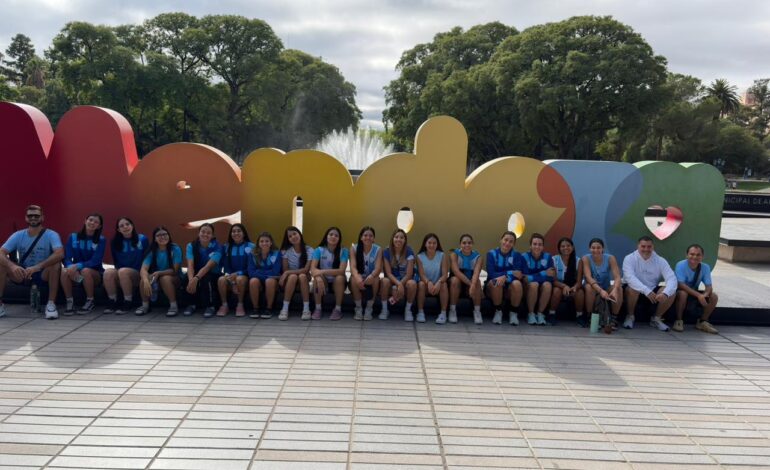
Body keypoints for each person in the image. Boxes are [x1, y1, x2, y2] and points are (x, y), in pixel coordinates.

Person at [0, 205, 63, 319]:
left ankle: (51, 304)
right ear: (26, 218)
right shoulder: (18, 235)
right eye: (30, 215)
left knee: (56, 264)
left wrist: (37, 267)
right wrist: (13, 266)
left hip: (43, 271)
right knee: (2, 264)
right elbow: (1, 252)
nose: (33, 218)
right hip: (23, 272)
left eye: (36, 216)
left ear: (42, 217)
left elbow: (60, 253)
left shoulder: (51, 234)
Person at [622, 236, 677, 331]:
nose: (646, 249)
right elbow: (629, 278)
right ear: (638, 246)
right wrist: (646, 291)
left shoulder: (660, 260)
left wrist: (665, 293)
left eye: (649, 247)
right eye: (643, 246)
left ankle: (656, 319)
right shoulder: (629, 258)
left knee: (671, 292)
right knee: (632, 288)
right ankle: (630, 316)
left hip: (653, 293)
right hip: (635, 292)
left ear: (653, 247)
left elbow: (672, 278)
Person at [60, 213, 106, 315]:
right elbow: (66, 257)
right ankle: (70, 302)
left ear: (99, 226)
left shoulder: (101, 240)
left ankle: (90, 301)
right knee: (64, 271)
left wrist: (78, 266)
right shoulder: (73, 237)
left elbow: (96, 261)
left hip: (94, 275)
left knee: (85, 271)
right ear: (85, 221)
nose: (92, 223)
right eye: (90, 220)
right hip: (78, 277)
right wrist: (70, 267)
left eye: (96, 222)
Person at [104, 217, 148, 314]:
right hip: (121, 273)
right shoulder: (115, 242)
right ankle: (113, 301)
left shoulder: (142, 239)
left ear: (132, 225)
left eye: (127, 224)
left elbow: (147, 258)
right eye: (121, 226)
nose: (125, 227)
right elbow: (115, 261)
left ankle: (128, 301)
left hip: (138, 274)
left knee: (123, 271)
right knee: (108, 272)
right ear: (118, 230)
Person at [674, 244, 719, 334]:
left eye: (698, 255)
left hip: (694, 292)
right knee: (683, 294)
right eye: (692, 254)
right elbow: (680, 285)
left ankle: (702, 321)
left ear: (702, 256)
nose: (695, 257)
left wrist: (705, 295)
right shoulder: (680, 265)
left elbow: (709, 286)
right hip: (680, 292)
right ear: (687, 255)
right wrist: (699, 295)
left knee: (713, 296)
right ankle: (678, 321)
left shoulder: (705, 267)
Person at [137, 226, 183, 316]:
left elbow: (175, 270)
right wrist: (146, 280)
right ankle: (145, 306)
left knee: (165, 279)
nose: (162, 237)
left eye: (165, 234)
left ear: (169, 236)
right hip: (156, 277)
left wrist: (159, 273)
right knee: (144, 279)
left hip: (174, 278)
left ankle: (173, 306)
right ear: (155, 239)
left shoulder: (175, 248)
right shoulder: (152, 251)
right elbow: (143, 269)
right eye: (159, 235)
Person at [582, 238, 623, 328]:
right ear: (589, 249)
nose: (596, 250)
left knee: (618, 288)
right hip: (593, 287)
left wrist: (615, 289)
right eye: (593, 248)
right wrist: (600, 291)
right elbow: (588, 277)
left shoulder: (610, 258)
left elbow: (617, 277)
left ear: (602, 248)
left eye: (598, 248)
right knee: (589, 288)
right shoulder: (586, 258)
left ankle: (614, 318)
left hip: (605, 287)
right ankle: (590, 317)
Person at [485, 231, 524, 325]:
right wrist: (508, 273)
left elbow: (518, 275)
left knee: (517, 284)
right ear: (501, 240)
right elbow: (491, 274)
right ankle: (498, 311)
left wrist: (505, 277)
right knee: (496, 282)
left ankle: (513, 313)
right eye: (506, 240)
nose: (507, 243)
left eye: (511, 241)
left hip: (509, 288)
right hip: (492, 288)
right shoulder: (491, 254)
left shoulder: (517, 255)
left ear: (514, 244)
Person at [183, 223, 222, 318]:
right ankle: (191, 304)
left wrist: (196, 278)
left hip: (213, 273)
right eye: (203, 232)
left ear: (212, 235)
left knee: (206, 278)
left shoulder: (218, 247)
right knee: (186, 278)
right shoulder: (191, 246)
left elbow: (208, 267)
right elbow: (190, 265)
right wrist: (191, 279)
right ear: (198, 233)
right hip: (196, 272)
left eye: (208, 233)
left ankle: (211, 306)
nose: (205, 234)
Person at [310, 227, 349, 320]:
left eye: (336, 235)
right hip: (324, 281)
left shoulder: (343, 251)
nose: (333, 237)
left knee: (340, 277)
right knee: (316, 279)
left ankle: (338, 309)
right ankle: (318, 308)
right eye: (331, 234)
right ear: (326, 236)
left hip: (337, 282)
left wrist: (322, 271)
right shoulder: (319, 250)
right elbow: (313, 269)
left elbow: (341, 270)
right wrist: (318, 277)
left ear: (339, 239)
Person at [216, 224, 253, 317]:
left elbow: (251, 267)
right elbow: (226, 267)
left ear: (244, 233)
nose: (236, 233)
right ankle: (224, 305)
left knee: (240, 279)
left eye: (239, 231)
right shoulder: (226, 247)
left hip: (245, 275)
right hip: (230, 275)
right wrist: (232, 281)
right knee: (221, 280)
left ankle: (240, 305)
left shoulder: (251, 246)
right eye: (233, 231)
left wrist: (238, 274)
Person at [379, 229, 417, 321]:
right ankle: (384, 310)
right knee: (384, 281)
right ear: (392, 239)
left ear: (405, 240)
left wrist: (400, 284)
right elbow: (388, 273)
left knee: (412, 283)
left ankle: (408, 310)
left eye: (401, 237)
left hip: (405, 280)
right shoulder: (387, 252)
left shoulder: (409, 252)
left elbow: (409, 274)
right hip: (392, 280)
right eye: (396, 237)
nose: (398, 239)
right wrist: (397, 284)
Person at [278, 226, 314, 321]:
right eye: (290, 236)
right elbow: (285, 269)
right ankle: (284, 309)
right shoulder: (285, 251)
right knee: (293, 276)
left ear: (300, 234)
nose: (293, 237)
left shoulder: (309, 250)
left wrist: (287, 272)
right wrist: (287, 273)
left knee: (302, 276)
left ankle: (306, 309)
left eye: (295, 234)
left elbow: (306, 270)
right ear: (288, 239)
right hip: (290, 280)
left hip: (304, 278)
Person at [549, 237, 585, 326]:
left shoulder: (578, 261)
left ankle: (579, 316)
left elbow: (579, 281)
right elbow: (554, 281)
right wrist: (564, 286)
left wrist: (574, 288)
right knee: (556, 291)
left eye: (568, 245)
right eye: (563, 246)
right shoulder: (554, 259)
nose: (566, 248)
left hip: (573, 287)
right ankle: (551, 314)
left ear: (572, 247)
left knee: (579, 292)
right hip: (559, 286)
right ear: (559, 248)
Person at [349, 226, 382, 321]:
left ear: (374, 239)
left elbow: (378, 268)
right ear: (361, 237)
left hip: (370, 278)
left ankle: (369, 308)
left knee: (376, 278)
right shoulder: (354, 248)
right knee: (353, 278)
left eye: (371, 236)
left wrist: (372, 275)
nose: (368, 237)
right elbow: (353, 267)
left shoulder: (378, 249)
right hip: (359, 278)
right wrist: (357, 277)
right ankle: (358, 308)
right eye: (365, 235)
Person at [521, 233, 555, 325]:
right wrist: (543, 273)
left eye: (540, 244)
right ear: (530, 246)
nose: (537, 246)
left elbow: (550, 277)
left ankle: (540, 313)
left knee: (547, 284)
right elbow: (525, 278)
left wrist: (533, 277)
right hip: (528, 288)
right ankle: (531, 314)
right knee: (534, 284)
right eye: (535, 244)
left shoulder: (548, 257)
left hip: (543, 287)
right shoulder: (524, 257)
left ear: (543, 246)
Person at [247, 232, 282, 319]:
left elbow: (275, 272)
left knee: (269, 281)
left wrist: (259, 271)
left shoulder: (277, 253)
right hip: (259, 280)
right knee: (253, 281)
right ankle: (255, 308)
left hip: (272, 281)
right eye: (261, 241)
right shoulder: (252, 254)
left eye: (267, 241)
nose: (264, 243)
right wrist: (266, 274)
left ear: (271, 243)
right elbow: (251, 272)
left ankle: (269, 308)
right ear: (258, 243)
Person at [416, 233, 449, 324]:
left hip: (438, 285)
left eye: (434, 243)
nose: (432, 245)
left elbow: (445, 274)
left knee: (444, 284)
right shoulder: (419, 257)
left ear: (437, 244)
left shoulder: (442, 255)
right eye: (429, 243)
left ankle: (443, 314)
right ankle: (420, 312)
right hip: (426, 285)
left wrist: (439, 282)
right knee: (421, 284)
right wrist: (428, 282)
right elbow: (421, 275)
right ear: (425, 244)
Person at [449, 234, 483, 324]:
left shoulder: (478, 257)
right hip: (457, 284)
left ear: (472, 244)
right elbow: (456, 271)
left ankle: (477, 311)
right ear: (460, 244)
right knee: (455, 280)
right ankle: (452, 310)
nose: (467, 245)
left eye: (469, 243)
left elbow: (476, 273)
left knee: (478, 282)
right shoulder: (454, 254)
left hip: (469, 284)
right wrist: (470, 284)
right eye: (464, 243)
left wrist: (473, 284)